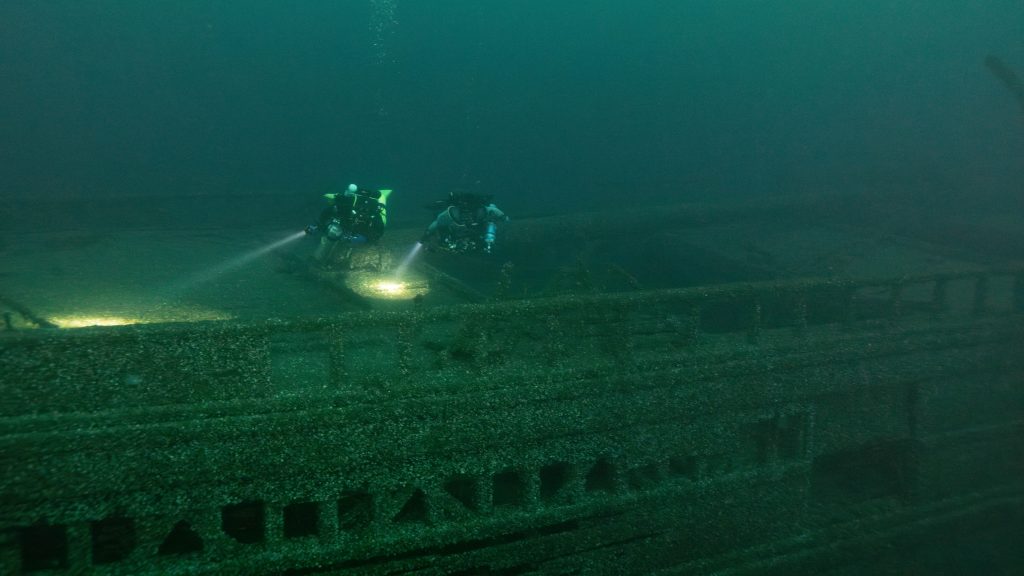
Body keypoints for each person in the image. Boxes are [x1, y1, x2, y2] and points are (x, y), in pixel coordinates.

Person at [306, 184, 391, 264]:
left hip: (361, 231)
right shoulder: (340, 206)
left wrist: (365, 238)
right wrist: (317, 227)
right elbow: (326, 215)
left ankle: (325, 261)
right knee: (330, 236)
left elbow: (379, 230)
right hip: (348, 228)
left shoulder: (369, 211)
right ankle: (317, 260)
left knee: (344, 240)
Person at [420, 192, 509, 254]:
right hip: (464, 231)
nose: (468, 216)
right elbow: (438, 222)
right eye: (465, 213)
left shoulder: (485, 210)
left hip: (477, 229)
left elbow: (437, 222)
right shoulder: (448, 214)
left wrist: (427, 234)